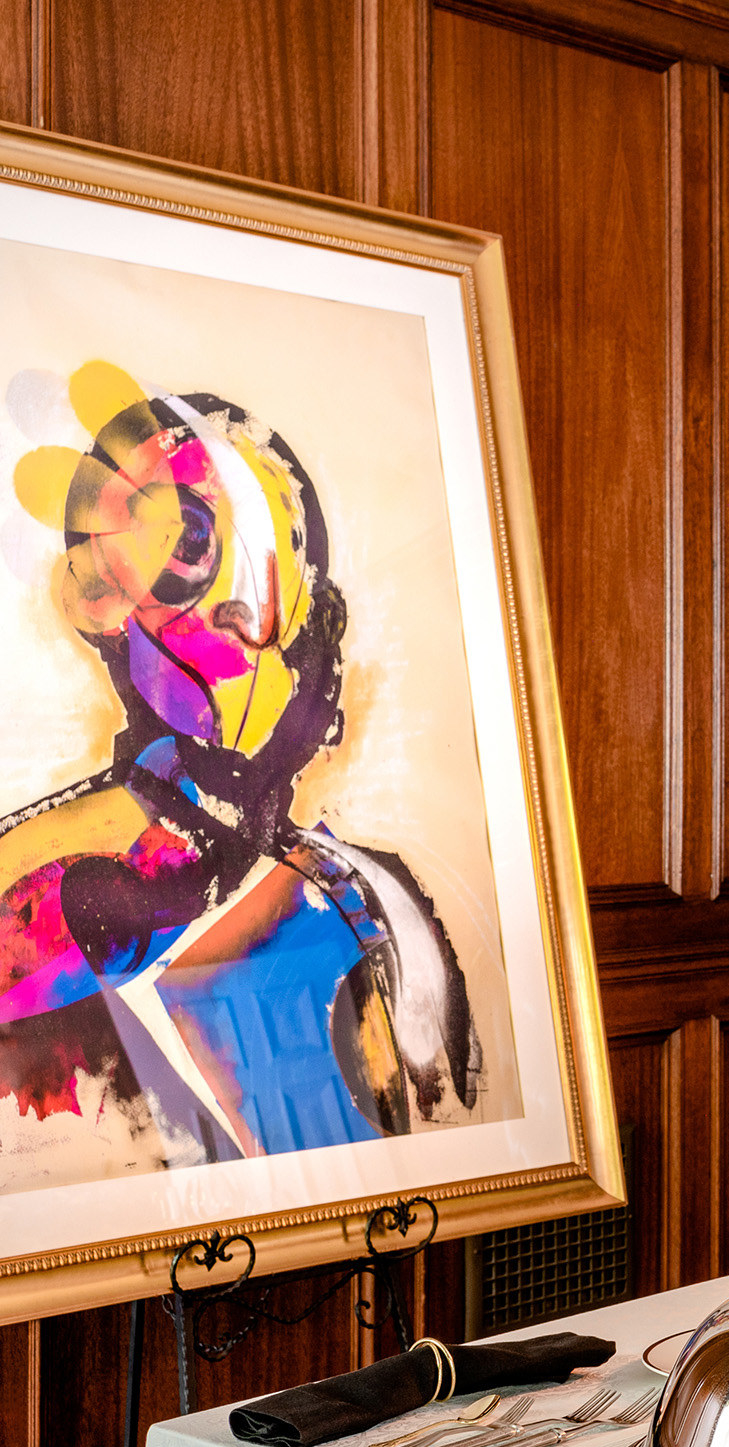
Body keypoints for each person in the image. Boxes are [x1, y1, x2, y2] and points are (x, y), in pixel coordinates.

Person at [0, 361, 478, 1180]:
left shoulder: (364, 891)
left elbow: (439, 1110)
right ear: (111, 620)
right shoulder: (56, 879)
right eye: (190, 555)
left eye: (286, 568)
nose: (253, 626)